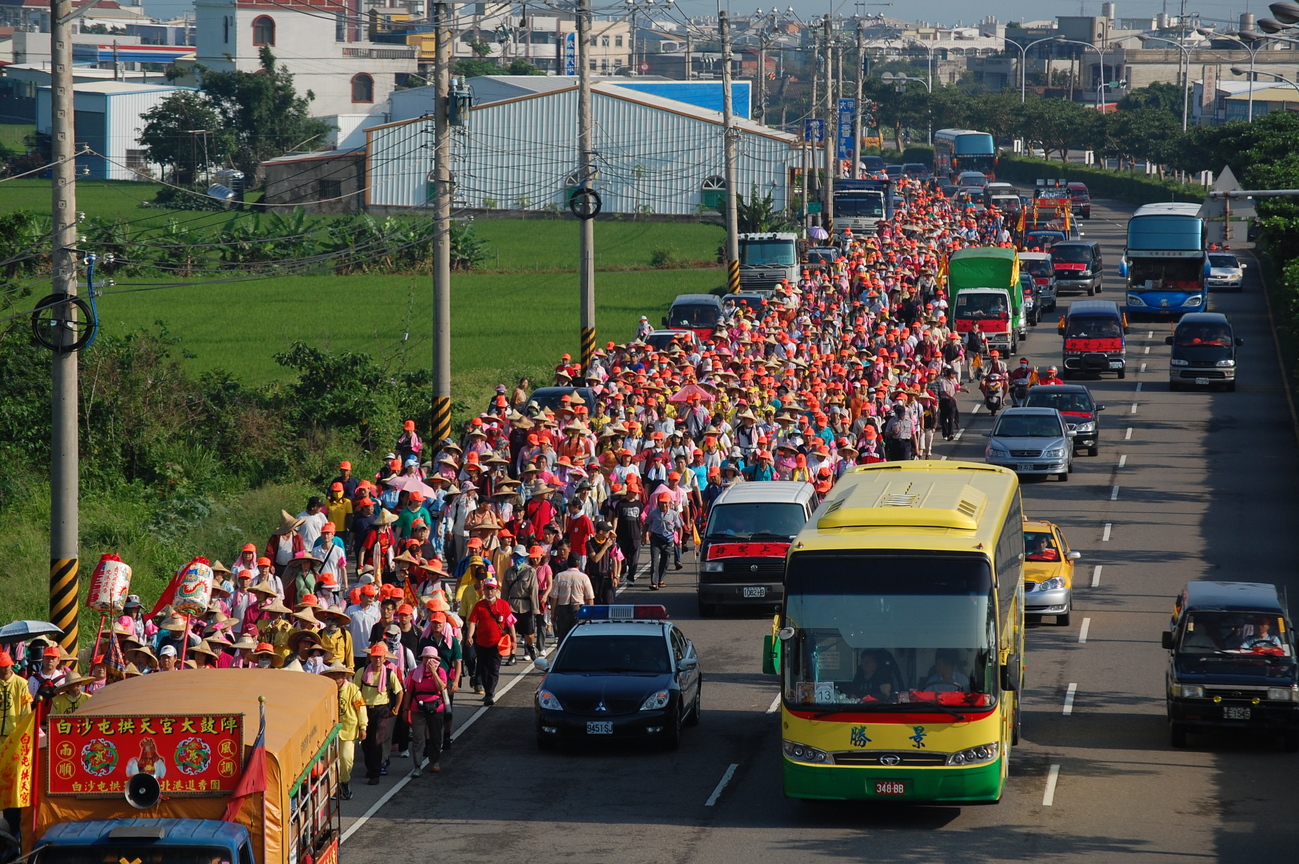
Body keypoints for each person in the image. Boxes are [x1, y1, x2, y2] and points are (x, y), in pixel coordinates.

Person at [354, 644, 403, 785]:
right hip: (365, 710)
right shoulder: (362, 672)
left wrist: (396, 709)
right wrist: (358, 709)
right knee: (366, 742)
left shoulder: (389, 674)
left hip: (381, 710)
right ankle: (370, 768)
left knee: (377, 741)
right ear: (370, 657)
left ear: (384, 658)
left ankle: (375, 773)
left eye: (380, 658)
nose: (377, 660)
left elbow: (400, 691)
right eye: (375, 657)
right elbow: (355, 692)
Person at [465, 577, 516, 706]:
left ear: (496, 590)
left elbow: (510, 622)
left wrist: (514, 639)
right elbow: (472, 622)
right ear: (484, 590)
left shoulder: (503, 604)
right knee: (483, 668)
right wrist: (470, 636)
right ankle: (488, 690)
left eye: (492, 589)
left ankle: (489, 693)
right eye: (487, 589)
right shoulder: (479, 606)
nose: (489, 592)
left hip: (497, 644)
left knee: (494, 668)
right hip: (481, 643)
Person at [403, 646, 449, 777]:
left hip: (436, 708)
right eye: (426, 658)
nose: (429, 661)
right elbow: (409, 692)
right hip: (418, 708)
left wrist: (434, 672)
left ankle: (435, 762)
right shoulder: (415, 673)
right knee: (418, 738)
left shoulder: (441, 671)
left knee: (435, 736)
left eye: (431, 658)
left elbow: (442, 687)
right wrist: (405, 710)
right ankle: (417, 766)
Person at [324, 660, 366, 800]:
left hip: (348, 729)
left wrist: (363, 727)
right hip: (330, 731)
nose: (336, 678)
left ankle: (344, 782)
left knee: (347, 759)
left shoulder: (353, 690)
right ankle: (333, 787)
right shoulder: (326, 691)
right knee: (330, 763)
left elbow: (361, 708)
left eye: (339, 675)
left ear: (344, 676)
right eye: (333, 675)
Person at [502, 545, 540, 663]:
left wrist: (535, 609)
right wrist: (503, 608)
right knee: (512, 632)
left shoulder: (530, 571)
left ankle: (530, 646)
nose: (517, 558)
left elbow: (534, 590)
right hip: (512, 605)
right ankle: (512, 655)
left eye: (520, 556)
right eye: (516, 556)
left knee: (529, 633)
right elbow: (504, 591)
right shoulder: (508, 572)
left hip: (525, 605)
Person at [644, 491, 682, 590]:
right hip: (656, 539)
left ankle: (661, 579)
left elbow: (680, 527)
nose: (664, 504)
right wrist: (645, 535)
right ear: (658, 502)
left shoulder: (673, 514)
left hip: (668, 540)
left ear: (669, 503)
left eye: (666, 502)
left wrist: (680, 541)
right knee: (655, 561)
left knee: (665, 561)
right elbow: (646, 524)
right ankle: (654, 582)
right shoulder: (653, 513)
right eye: (662, 502)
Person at [0, 650, 33, 744]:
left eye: (8, 665)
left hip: (14, 732)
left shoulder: (21, 683)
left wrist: (23, 730)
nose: (6, 668)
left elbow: (25, 710)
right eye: (3, 666)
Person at [585, 521, 619, 604]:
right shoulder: (590, 543)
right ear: (600, 532)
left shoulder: (611, 542)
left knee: (608, 601)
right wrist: (605, 547)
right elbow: (595, 559)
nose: (608, 533)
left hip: (606, 576)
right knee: (596, 601)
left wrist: (615, 576)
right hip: (594, 577)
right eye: (606, 531)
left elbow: (614, 560)